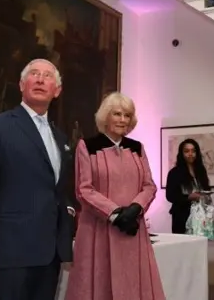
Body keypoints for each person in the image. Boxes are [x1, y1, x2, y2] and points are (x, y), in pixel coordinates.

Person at [0, 59, 77, 300]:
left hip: (48, 256)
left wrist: (69, 210)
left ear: (57, 90)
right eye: (34, 74)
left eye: (48, 76)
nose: (41, 79)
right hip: (7, 255)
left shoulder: (60, 136)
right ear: (22, 85)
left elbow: (56, 189)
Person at [65, 92, 165, 300]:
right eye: (117, 114)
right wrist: (115, 214)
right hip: (98, 229)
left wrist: (135, 209)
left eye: (127, 115)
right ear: (105, 117)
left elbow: (149, 185)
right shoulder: (88, 146)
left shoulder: (137, 148)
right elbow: (84, 189)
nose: (122, 120)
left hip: (132, 229)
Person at [165, 138, 211, 234]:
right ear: (181, 153)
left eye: (193, 151)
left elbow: (206, 188)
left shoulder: (201, 171)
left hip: (201, 214)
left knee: (200, 245)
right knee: (183, 246)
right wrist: (188, 197)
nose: (190, 154)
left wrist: (205, 195)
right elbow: (170, 196)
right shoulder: (175, 173)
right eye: (186, 151)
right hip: (182, 216)